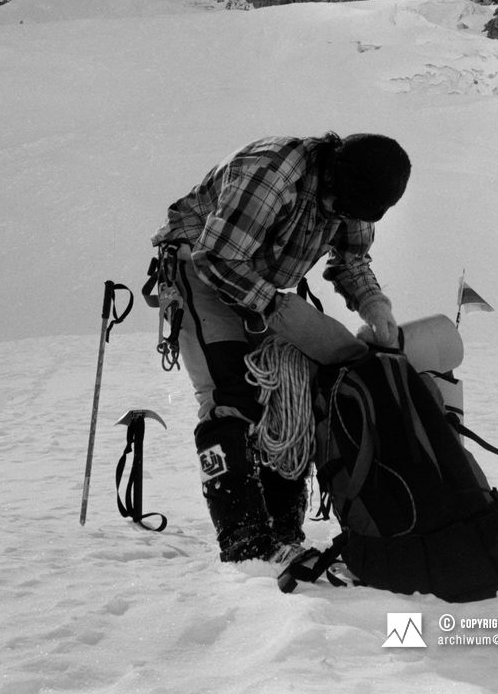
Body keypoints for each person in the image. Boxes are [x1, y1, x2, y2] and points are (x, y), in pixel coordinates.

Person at [150, 131, 411, 565]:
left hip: (260, 279)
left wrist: (372, 302)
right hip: (199, 261)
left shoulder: (355, 194)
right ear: (332, 176)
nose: (342, 215)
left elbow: (350, 259)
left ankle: (283, 532)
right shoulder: (274, 175)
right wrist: (273, 306)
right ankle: (246, 541)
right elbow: (216, 259)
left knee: (285, 392)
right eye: (339, 206)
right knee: (229, 395)